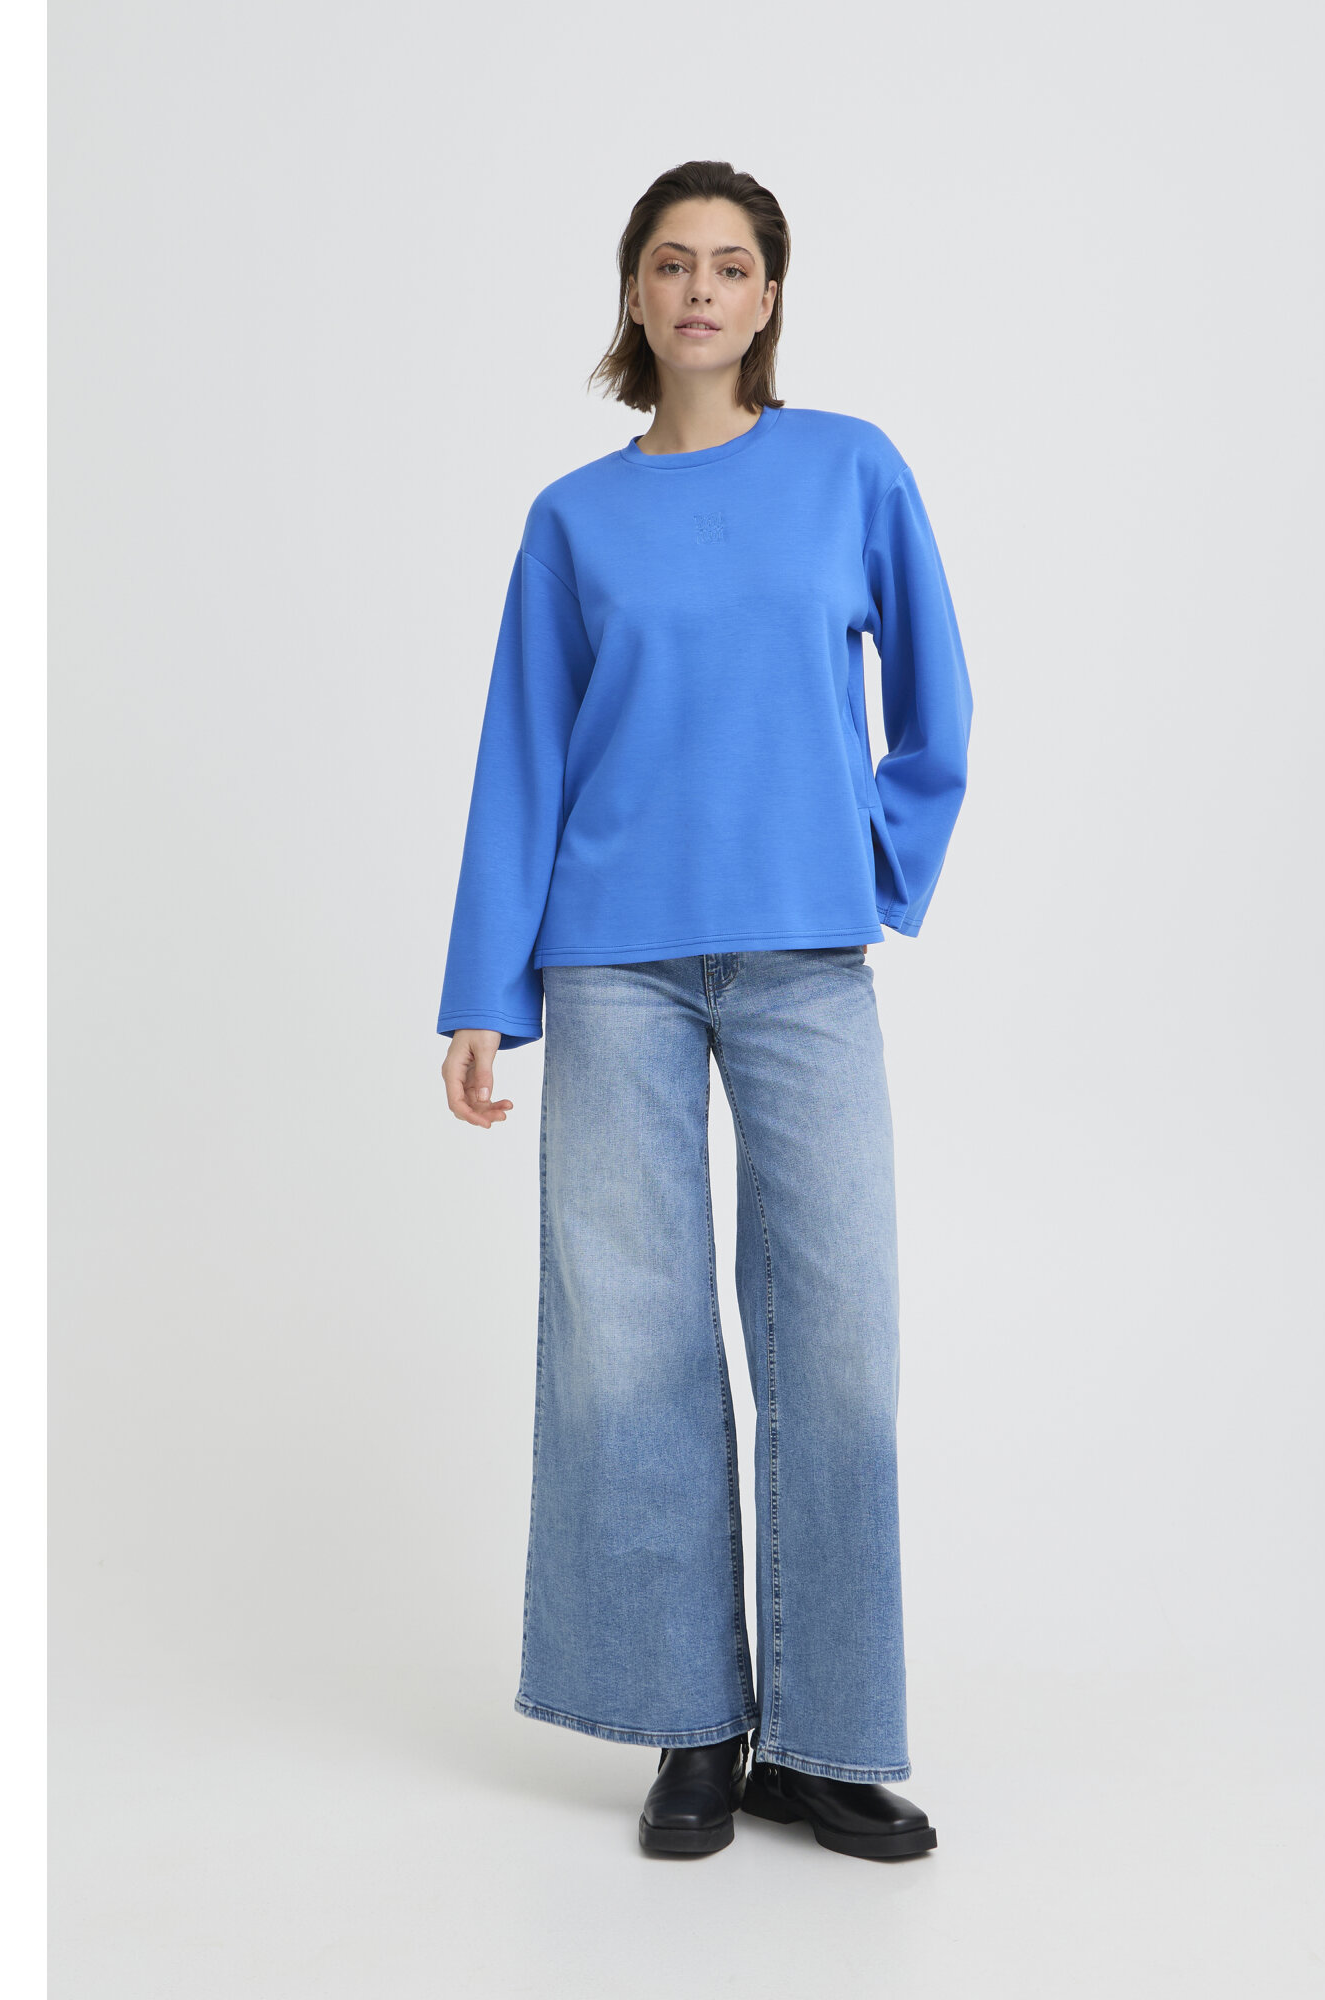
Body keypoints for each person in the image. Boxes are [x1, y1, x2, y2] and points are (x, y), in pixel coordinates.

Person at [438, 160, 972, 1861]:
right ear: (635, 292)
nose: (699, 291)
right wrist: (483, 987)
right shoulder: (574, 519)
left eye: (730, 266)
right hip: (613, 962)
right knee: (633, 1341)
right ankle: (690, 1726)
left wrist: (875, 863)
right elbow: (523, 750)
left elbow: (938, 703)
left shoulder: (850, 467)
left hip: (805, 961)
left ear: (769, 298)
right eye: (671, 264)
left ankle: (825, 1741)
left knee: (839, 1336)